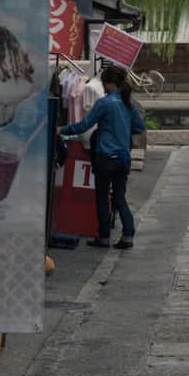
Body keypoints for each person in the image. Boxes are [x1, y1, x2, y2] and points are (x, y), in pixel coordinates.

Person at [58, 65, 145, 249]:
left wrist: (61, 130)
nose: (103, 88)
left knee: (102, 197)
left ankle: (104, 238)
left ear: (109, 84)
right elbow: (139, 127)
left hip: (105, 157)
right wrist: (123, 129)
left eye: (105, 84)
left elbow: (83, 125)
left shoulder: (104, 103)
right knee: (119, 198)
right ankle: (128, 236)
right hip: (123, 157)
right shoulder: (128, 103)